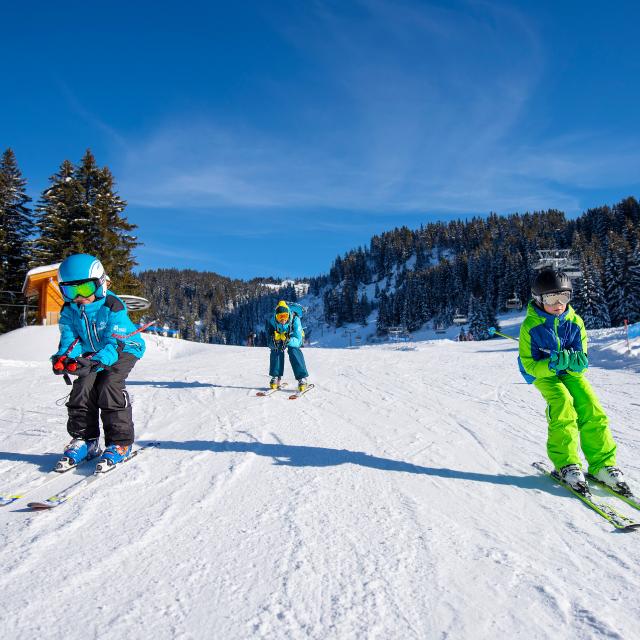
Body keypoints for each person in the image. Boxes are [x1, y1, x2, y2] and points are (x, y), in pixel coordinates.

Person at [518, 269, 628, 493]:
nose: (558, 304)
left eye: (564, 297)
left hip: (568, 372)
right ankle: (566, 464)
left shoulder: (575, 322)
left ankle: (602, 465)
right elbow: (529, 364)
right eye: (551, 298)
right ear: (539, 299)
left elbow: (582, 359)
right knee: (563, 403)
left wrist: (577, 365)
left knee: (590, 405)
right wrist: (550, 364)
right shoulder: (530, 326)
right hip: (544, 374)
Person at [51, 254, 146, 471]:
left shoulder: (113, 306)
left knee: (108, 385)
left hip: (124, 348)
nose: (78, 297)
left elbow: (115, 342)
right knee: (82, 388)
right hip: (93, 353)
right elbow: (71, 338)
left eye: (84, 289)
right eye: (70, 291)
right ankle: (87, 441)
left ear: (100, 283)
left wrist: (96, 362)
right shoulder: (69, 310)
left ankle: (120, 443)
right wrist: (64, 357)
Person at [266, 300, 309, 392]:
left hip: (294, 337)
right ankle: (276, 376)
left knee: (293, 350)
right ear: (276, 316)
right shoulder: (272, 322)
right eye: (280, 316)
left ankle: (302, 378)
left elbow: (298, 341)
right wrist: (275, 341)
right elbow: (269, 342)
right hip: (281, 337)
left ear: (288, 314)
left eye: (284, 316)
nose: (283, 319)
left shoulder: (295, 319)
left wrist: (288, 340)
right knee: (276, 349)